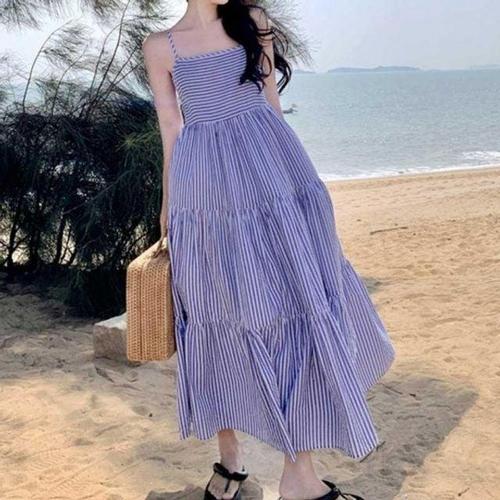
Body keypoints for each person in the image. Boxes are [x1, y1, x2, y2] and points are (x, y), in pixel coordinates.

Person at [142, 1, 395, 499]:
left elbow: (271, 105)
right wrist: (169, 205)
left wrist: (296, 186)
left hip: (272, 175)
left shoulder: (252, 21)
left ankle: (298, 474)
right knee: (214, 310)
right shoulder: (160, 46)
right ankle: (231, 460)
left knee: (289, 306)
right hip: (206, 193)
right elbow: (171, 128)